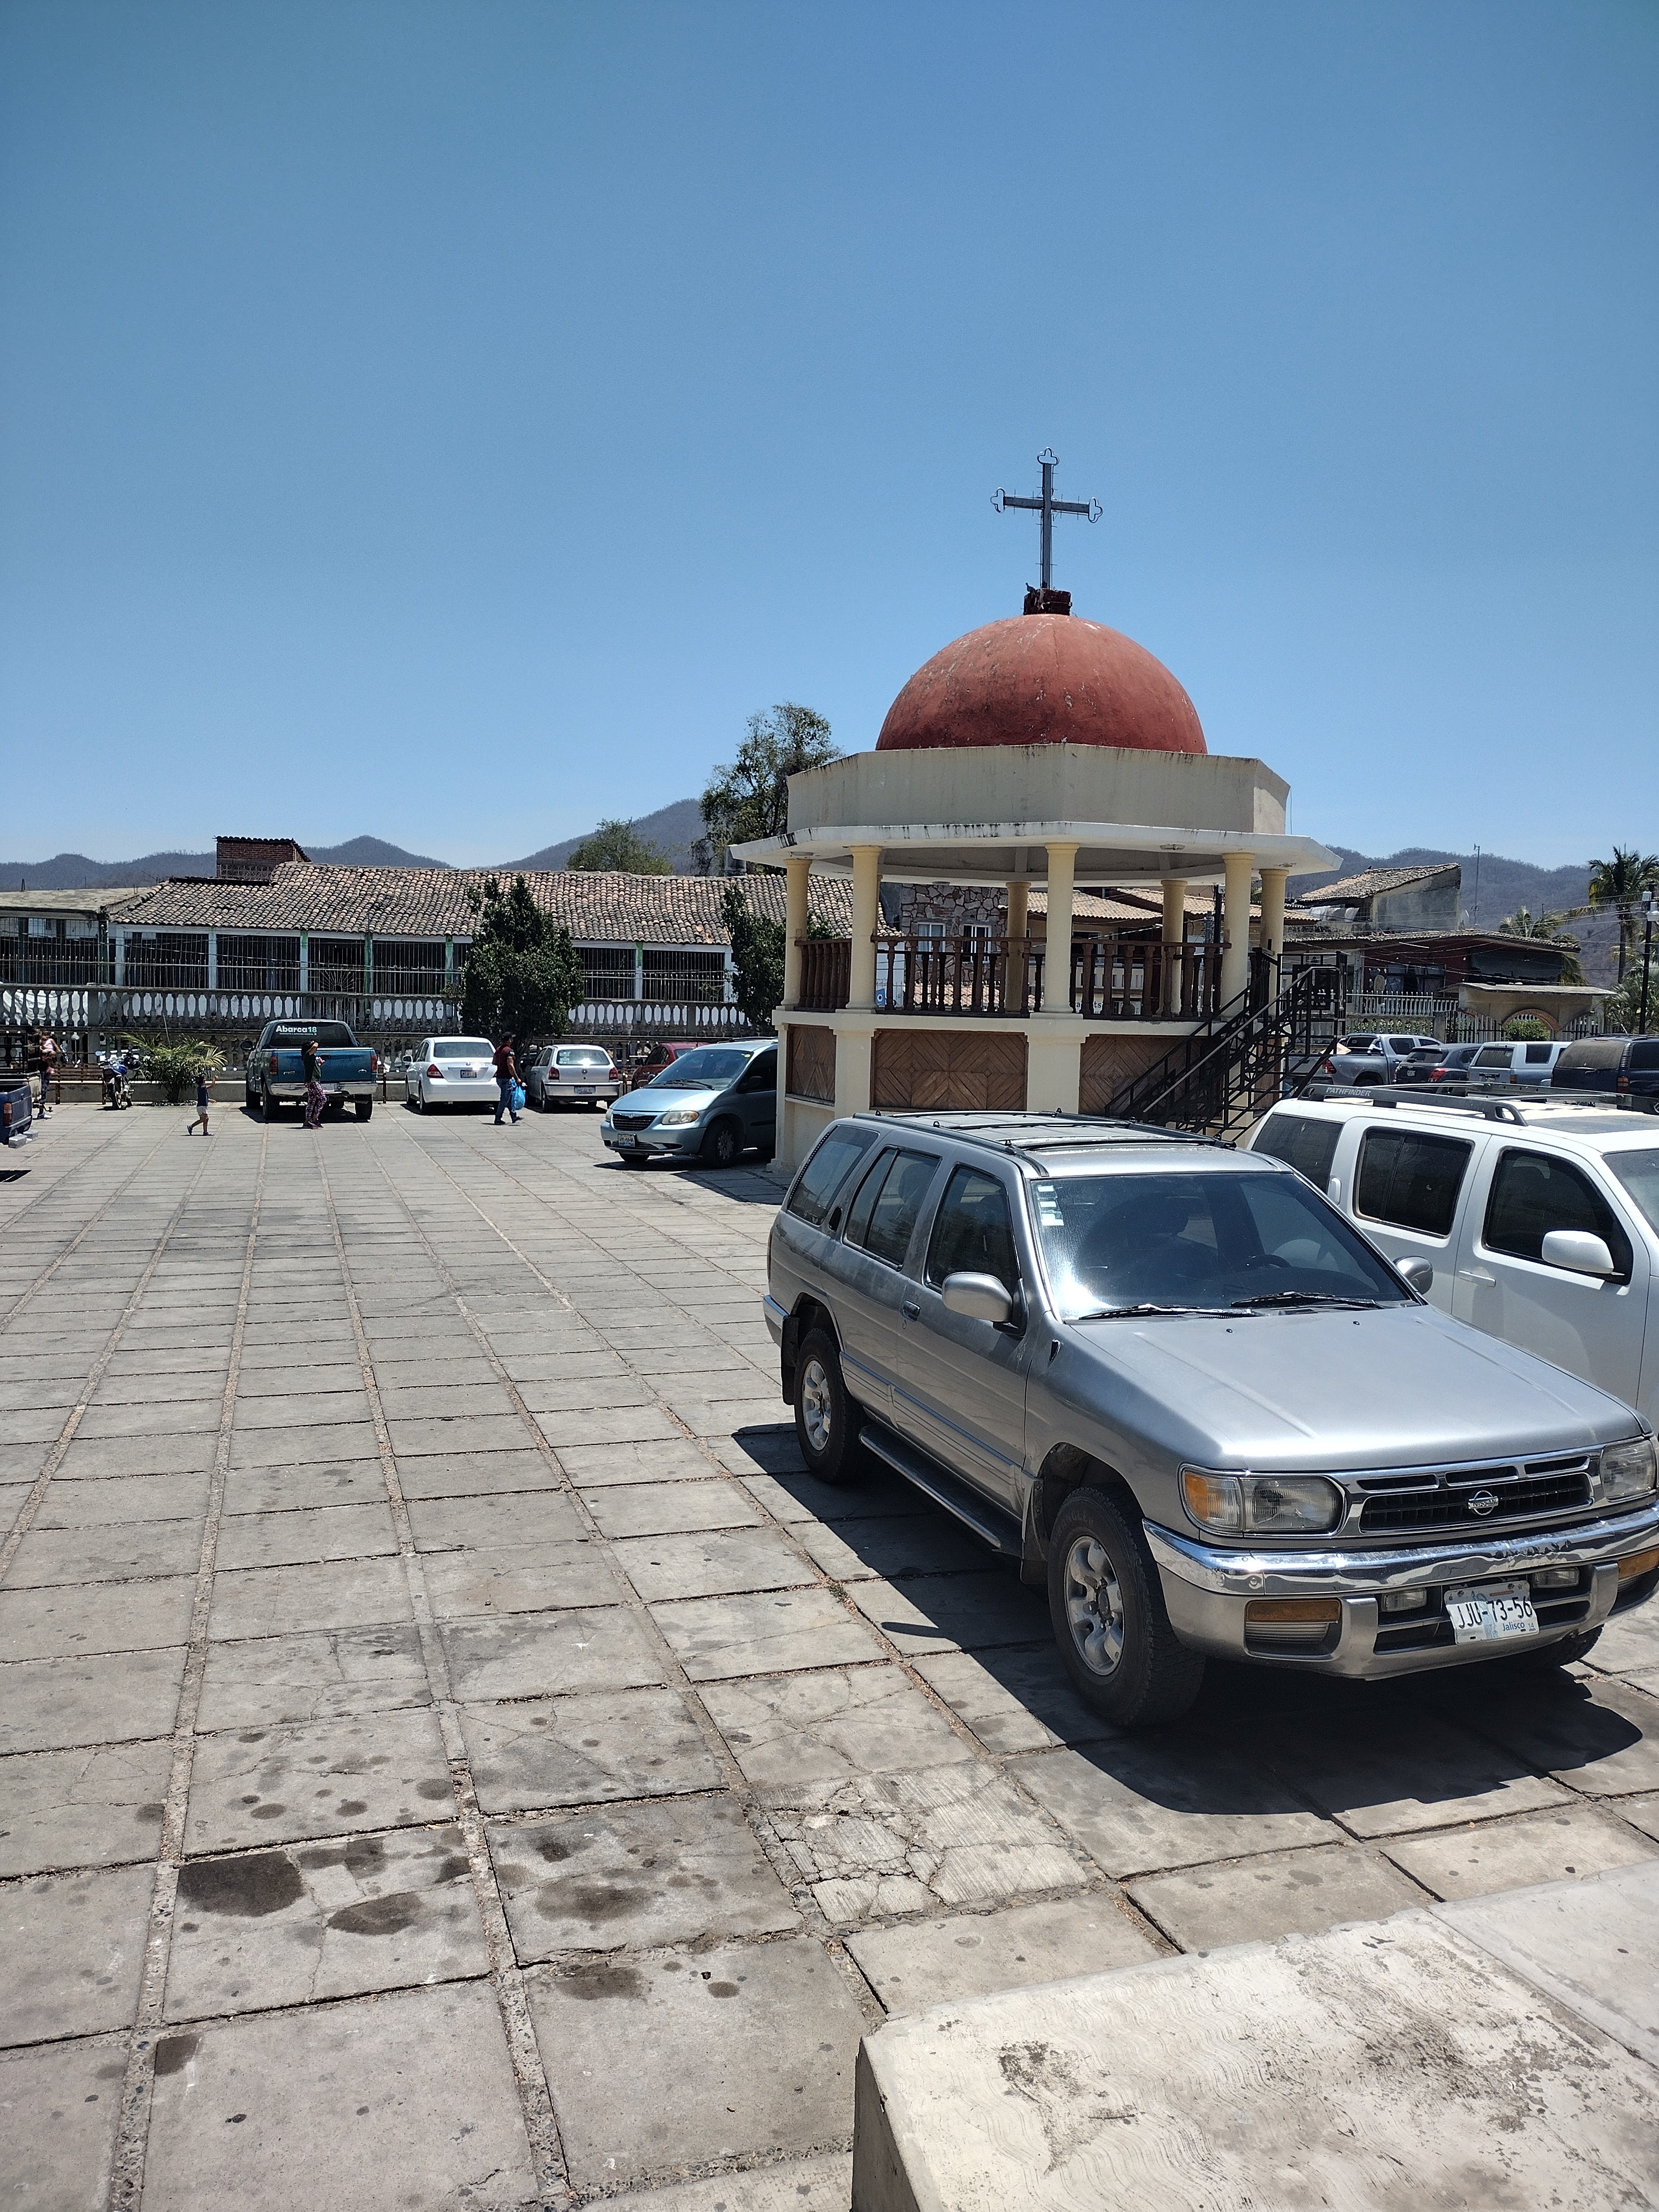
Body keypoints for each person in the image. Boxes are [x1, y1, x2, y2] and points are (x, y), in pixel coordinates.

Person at [493, 1034, 520, 1125]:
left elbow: (494, 1062)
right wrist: (517, 1078)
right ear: (509, 1040)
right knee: (504, 1099)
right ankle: (498, 1118)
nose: (512, 1041)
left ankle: (514, 1116)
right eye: (511, 1039)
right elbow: (510, 1066)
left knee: (509, 1097)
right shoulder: (509, 1051)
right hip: (506, 1078)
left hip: (499, 1078)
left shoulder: (498, 1050)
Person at [186, 1065, 215, 1136]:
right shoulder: (202, 1088)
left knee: (203, 1119)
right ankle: (203, 1131)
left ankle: (195, 1128)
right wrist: (214, 1080)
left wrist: (210, 1100)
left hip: (201, 1106)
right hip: (202, 1107)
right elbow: (211, 1086)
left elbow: (203, 1098)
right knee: (206, 1118)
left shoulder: (200, 1088)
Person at [36, 1032, 58, 1115]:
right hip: (42, 1069)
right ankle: (41, 1110)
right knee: (43, 1088)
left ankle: (42, 1111)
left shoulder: (50, 1043)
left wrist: (53, 1055)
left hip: (48, 1069)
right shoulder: (40, 1044)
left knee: (44, 1087)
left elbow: (56, 1051)